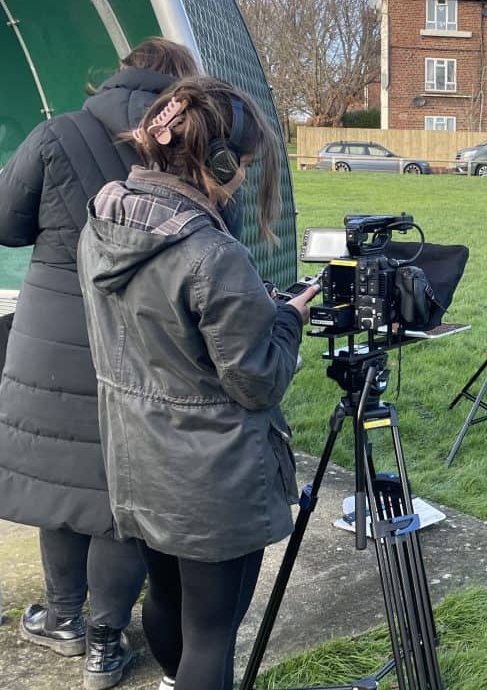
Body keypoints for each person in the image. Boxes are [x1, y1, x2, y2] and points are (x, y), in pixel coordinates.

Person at [78, 75, 317, 690]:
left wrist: (249, 309)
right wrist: (289, 318)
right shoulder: (213, 255)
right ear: (217, 160)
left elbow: (162, 334)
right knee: (212, 634)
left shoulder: (100, 227)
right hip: (213, 477)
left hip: (138, 463)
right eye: (241, 164)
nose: (243, 177)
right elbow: (257, 380)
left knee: (164, 597)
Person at [0, 37, 198, 690]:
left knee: (60, 484)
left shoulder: (58, 134)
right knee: (122, 495)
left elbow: (6, 222)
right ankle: (107, 645)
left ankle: (62, 621)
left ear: (119, 73)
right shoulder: (186, 137)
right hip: (143, 334)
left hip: (52, 332)